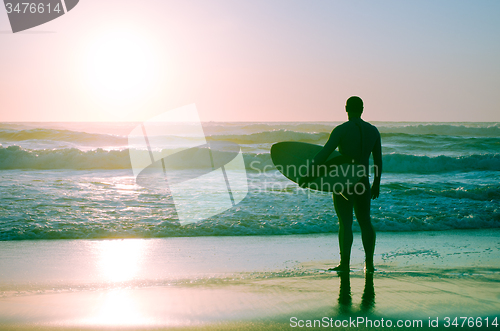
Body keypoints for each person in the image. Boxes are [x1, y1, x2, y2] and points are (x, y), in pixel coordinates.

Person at [300, 96, 382, 272]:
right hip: (363, 180)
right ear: (362, 109)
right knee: (365, 221)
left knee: (345, 223)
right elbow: (378, 160)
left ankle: (344, 264)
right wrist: (377, 182)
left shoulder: (341, 130)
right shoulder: (373, 131)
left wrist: (309, 174)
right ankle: (370, 264)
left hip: (344, 181)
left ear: (346, 108)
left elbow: (324, 154)